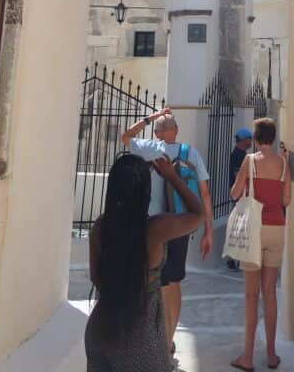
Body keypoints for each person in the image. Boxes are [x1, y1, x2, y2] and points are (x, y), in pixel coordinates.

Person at [85, 152, 203, 372]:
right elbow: (198, 214)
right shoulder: (156, 228)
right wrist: (171, 176)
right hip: (140, 334)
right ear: (144, 191)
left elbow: (95, 276)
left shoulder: (100, 228)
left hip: (101, 328)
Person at [122, 106, 213, 361]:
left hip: (155, 226)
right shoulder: (190, 152)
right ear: (177, 130)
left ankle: (157, 343)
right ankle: (169, 340)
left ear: (157, 131)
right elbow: (204, 193)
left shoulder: (150, 148)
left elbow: (125, 137)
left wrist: (150, 116)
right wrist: (208, 231)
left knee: (156, 283)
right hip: (182, 224)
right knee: (174, 283)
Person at [229, 117, 291, 372]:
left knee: (251, 295)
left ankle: (247, 357)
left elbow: (234, 193)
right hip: (277, 228)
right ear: (273, 138)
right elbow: (286, 200)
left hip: (254, 231)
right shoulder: (283, 164)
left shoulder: (250, 160)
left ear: (255, 138)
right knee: (269, 293)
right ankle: (272, 354)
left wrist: (244, 190)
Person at [227, 128, 253, 271]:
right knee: (238, 228)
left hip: (240, 196)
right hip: (240, 196)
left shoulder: (241, 154)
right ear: (244, 140)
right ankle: (233, 260)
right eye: (250, 138)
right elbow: (238, 176)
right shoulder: (239, 155)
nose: (251, 141)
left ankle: (235, 259)